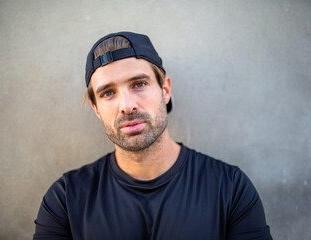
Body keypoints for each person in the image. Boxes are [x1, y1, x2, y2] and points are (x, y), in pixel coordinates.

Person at [33, 31, 272, 240]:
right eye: (107, 93)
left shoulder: (230, 188)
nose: (127, 106)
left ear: (165, 90)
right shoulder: (66, 199)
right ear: (96, 110)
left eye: (138, 84)